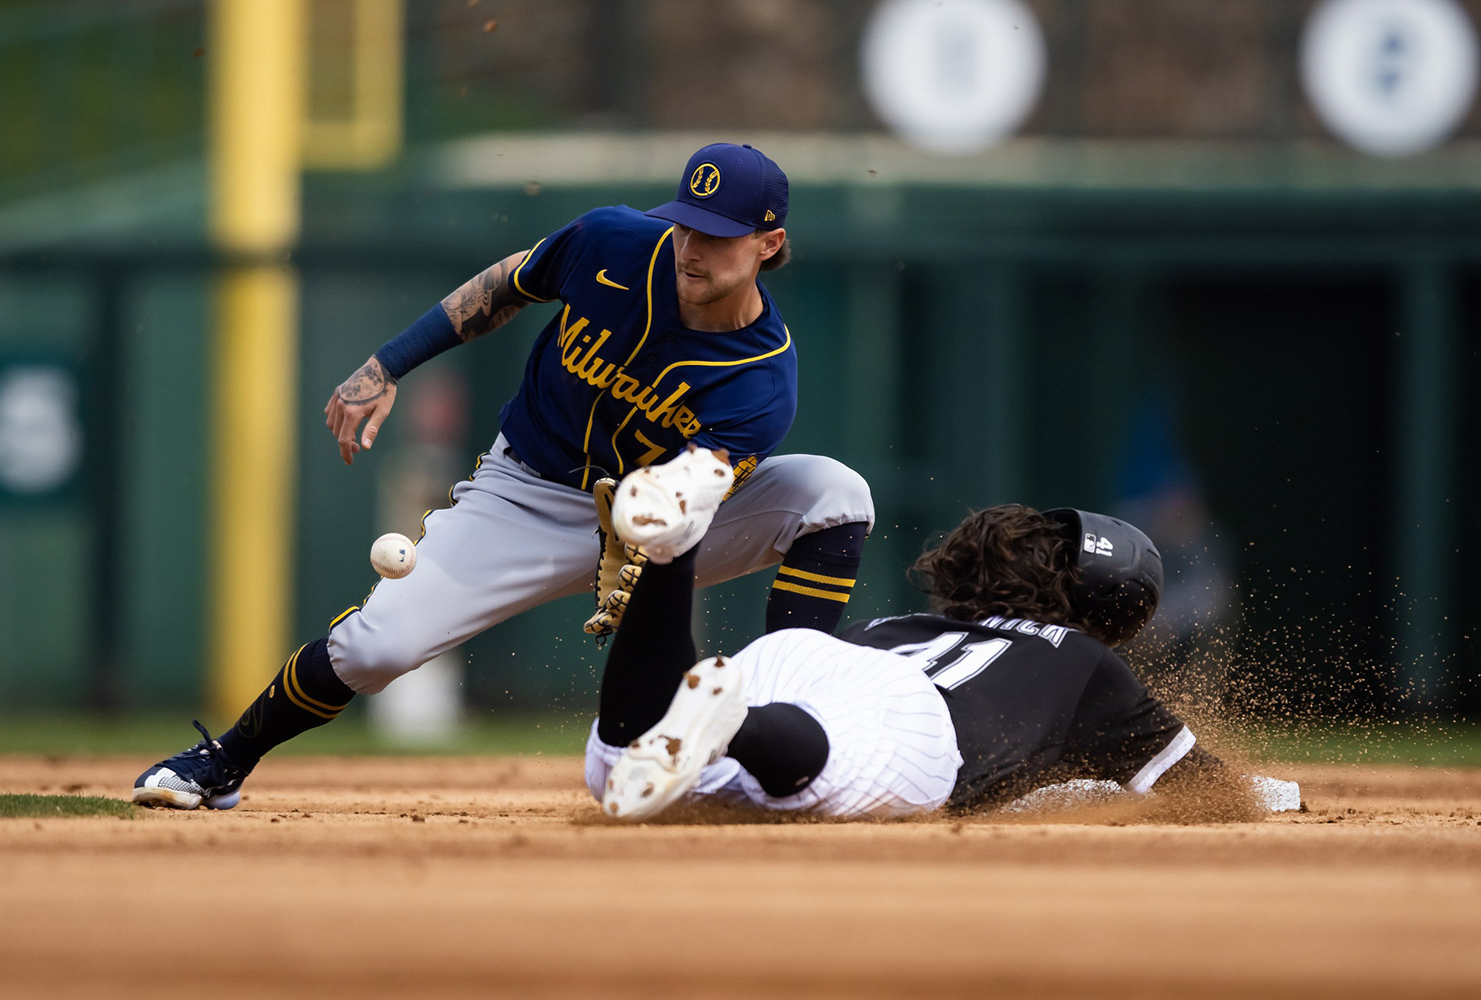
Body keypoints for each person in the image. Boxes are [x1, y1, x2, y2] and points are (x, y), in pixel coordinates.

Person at [133, 143, 874, 810]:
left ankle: (785, 721)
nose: (691, 247)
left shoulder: (761, 381)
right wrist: (388, 364)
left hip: (662, 528)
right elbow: (507, 284)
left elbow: (699, 487)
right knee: (375, 649)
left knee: (835, 493)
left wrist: (652, 546)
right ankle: (223, 761)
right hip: (526, 493)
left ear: (768, 243)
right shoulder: (612, 241)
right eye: (685, 224)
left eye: (717, 235)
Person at [587, 457, 1298, 820]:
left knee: (624, 752)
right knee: (826, 781)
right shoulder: (1081, 662)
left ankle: (671, 555)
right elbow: (1213, 793)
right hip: (900, 717)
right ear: (1113, 615)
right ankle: (733, 721)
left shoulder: (895, 622)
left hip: (800, 657)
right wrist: (1285, 795)